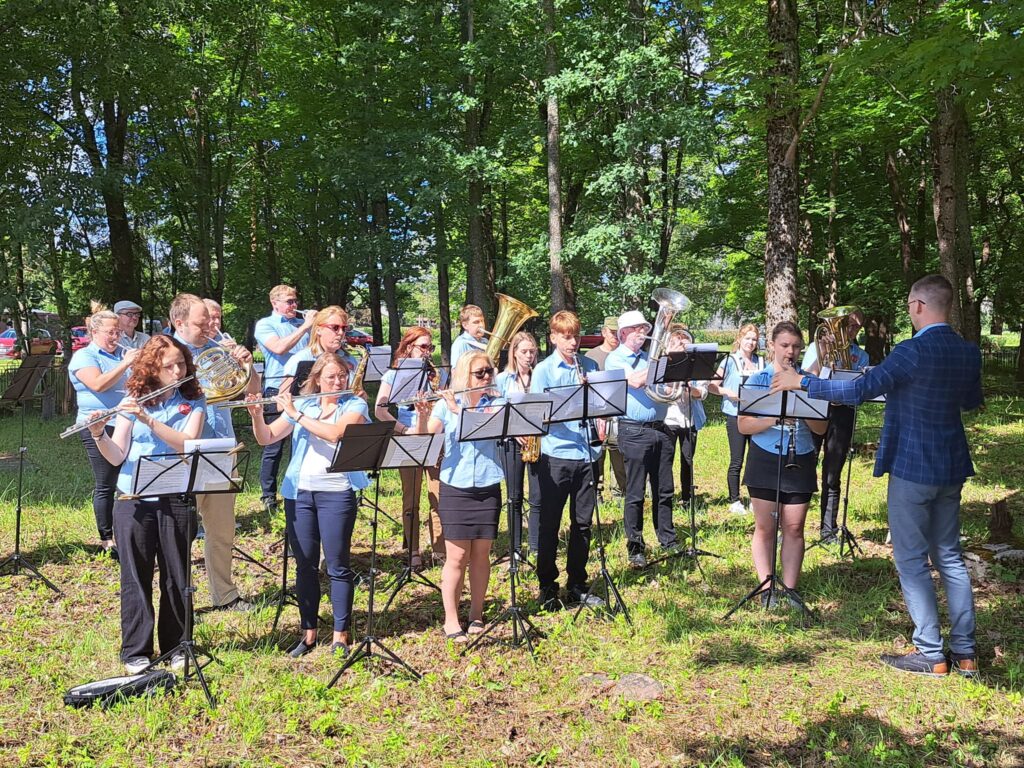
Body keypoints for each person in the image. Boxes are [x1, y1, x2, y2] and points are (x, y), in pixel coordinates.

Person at [772, 275, 983, 677]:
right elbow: (971, 402)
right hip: (951, 465)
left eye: (908, 304)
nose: (908, 310)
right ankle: (966, 653)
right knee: (950, 557)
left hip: (912, 464)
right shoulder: (968, 352)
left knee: (910, 559)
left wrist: (802, 381)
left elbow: (858, 391)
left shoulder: (910, 351)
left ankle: (931, 654)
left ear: (919, 305)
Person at [86, 335, 205, 674]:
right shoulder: (133, 398)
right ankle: (135, 652)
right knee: (135, 576)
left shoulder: (194, 399)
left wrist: (149, 420)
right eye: (170, 365)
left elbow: (188, 444)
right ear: (153, 367)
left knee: (177, 576)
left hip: (176, 496)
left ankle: (178, 644)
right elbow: (117, 454)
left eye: (181, 363)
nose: (178, 369)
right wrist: (98, 433)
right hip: (133, 499)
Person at [246, 353, 369, 658]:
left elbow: (337, 433)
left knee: (339, 565)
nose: (338, 382)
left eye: (342, 376)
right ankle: (309, 631)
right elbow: (267, 438)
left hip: (337, 492)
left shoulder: (354, 405)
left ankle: (341, 633)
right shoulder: (305, 404)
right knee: (305, 566)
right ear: (317, 379)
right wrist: (256, 415)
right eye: (331, 377)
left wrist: (296, 413)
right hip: (299, 493)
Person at [171, 293, 254, 611]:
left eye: (211, 320)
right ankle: (179, 599)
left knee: (221, 528)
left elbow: (249, 389)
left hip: (222, 446)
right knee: (179, 530)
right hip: (181, 450)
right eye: (201, 322)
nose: (210, 326)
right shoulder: (165, 353)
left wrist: (246, 365)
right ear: (179, 322)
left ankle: (225, 595)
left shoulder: (217, 349)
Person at [414, 351, 504, 641]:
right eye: (480, 373)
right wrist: (424, 415)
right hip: (455, 486)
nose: (487, 376)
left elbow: (484, 428)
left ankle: (476, 614)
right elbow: (424, 439)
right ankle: (451, 620)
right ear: (465, 374)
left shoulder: (498, 403)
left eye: (489, 371)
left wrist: (458, 412)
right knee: (457, 556)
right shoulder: (446, 404)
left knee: (481, 554)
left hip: (488, 484)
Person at [738, 322, 828, 609]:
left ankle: (789, 590)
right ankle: (766, 589)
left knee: (795, 527)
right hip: (764, 456)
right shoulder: (758, 381)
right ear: (773, 346)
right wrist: (775, 417)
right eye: (785, 345)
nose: (790, 351)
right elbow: (743, 425)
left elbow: (821, 427)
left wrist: (801, 406)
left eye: (796, 346)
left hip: (799, 456)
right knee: (766, 526)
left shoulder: (808, 381)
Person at [529, 311, 604, 609]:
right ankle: (547, 585)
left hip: (586, 453)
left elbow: (603, 404)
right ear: (554, 338)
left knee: (582, 524)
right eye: (566, 337)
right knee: (549, 524)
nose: (573, 342)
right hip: (556, 455)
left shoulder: (590, 365)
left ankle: (577, 584)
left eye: (575, 336)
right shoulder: (544, 371)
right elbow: (537, 414)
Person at [606, 310, 677, 568]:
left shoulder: (649, 358)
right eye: (637, 329)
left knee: (664, 489)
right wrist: (661, 361)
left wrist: (672, 378)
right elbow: (636, 381)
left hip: (660, 428)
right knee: (635, 492)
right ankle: (635, 546)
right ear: (623, 333)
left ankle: (667, 538)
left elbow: (665, 388)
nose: (642, 332)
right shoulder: (615, 360)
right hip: (633, 430)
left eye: (645, 328)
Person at [68, 303, 139, 559]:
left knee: (127, 478)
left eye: (118, 332)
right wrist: (125, 364)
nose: (115, 337)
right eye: (110, 332)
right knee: (106, 482)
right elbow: (98, 384)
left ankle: (128, 531)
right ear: (94, 333)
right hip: (96, 424)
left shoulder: (121, 354)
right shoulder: (84, 356)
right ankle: (107, 538)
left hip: (125, 421)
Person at [375, 326, 443, 567]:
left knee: (438, 495)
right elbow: (380, 409)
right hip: (408, 437)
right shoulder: (393, 375)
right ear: (408, 347)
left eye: (430, 347)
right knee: (411, 498)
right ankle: (413, 550)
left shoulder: (434, 374)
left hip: (434, 436)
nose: (427, 352)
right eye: (423, 347)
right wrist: (404, 430)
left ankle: (440, 549)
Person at [801, 309, 869, 543]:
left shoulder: (862, 356)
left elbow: (860, 389)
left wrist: (849, 368)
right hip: (815, 410)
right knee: (803, 466)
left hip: (843, 414)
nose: (850, 331)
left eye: (855, 328)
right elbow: (806, 380)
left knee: (833, 472)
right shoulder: (816, 347)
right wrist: (824, 352)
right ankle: (791, 527)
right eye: (847, 325)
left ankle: (828, 529)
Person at [253, 285, 315, 511]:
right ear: (275, 304)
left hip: (306, 389)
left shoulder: (302, 324)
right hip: (277, 389)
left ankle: (296, 488)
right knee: (274, 445)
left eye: (295, 301)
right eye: (289, 302)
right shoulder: (265, 325)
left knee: (301, 440)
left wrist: (316, 326)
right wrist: (306, 327)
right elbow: (278, 348)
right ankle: (268, 495)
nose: (294, 306)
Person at [707, 324, 765, 514]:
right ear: (739, 339)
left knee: (756, 460)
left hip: (756, 415)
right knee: (737, 459)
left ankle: (756, 498)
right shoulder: (730, 361)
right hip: (735, 415)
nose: (751, 342)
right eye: (747, 338)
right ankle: (734, 499)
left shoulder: (761, 362)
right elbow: (712, 386)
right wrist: (727, 392)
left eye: (754, 339)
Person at [495, 330, 542, 557]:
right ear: (513, 353)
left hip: (536, 442)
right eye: (523, 351)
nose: (528, 356)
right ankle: (514, 547)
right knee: (514, 496)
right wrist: (514, 432)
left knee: (537, 497)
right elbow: (496, 411)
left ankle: (535, 545)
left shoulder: (539, 376)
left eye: (532, 352)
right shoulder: (503, 379)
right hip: (511, 443)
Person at [662, 325, 708, 508]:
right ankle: (665, 495)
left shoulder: (697, 366)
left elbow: (703, 393)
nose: (682, 347)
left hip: (690, 418)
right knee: (666, 458)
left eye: (685, 343)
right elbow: (661, 390)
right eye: (677, 343)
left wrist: (690, 388)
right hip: (669, 417)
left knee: (687, 459)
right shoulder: (663, 363)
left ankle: (687, 497)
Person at [585, 316, 627, 499]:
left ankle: (620, 491)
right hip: (597, 414)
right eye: (611, 332)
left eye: (618, 332)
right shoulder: (591, 356)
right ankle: (597, 492)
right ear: (603, 332)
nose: (615, 336)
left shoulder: (625, 355)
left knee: (620, 456)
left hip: (620, 413)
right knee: (597, 454)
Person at [279, 306, 359, 396]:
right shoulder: (300, 359)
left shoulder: (350, 360)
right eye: (335, 327)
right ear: (318, 330)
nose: (341, 333)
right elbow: (281, 404)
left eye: (344, 328)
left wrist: (361, 397)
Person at [449, 304, 486, 370]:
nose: (481, 325)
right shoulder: (460, 344)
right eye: (476, 322)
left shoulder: (485, 341)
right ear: (465, 325)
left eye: (482, 321)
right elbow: (456, 372)